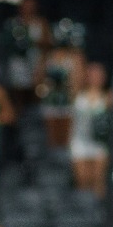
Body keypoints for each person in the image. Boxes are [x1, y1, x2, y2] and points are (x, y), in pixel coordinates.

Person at [39, 19, 85, 152]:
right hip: (51, 100)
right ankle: (53, 164)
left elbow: (80, 81)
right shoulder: (48, 57)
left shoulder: (76, 57)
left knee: (68, 138)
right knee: (52, 138)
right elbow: (40, 79)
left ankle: (66, 164)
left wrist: (72, 95)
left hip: (68, 102)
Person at [69, 62, 112, 198]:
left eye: (99, 74)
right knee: (82, 180)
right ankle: (83, 212)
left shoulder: (109, 97)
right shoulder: (77, 94)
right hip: (80, 141)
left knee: (98, 180)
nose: (96, 77)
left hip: (99, 142)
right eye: (92, 74)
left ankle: (99, 212)